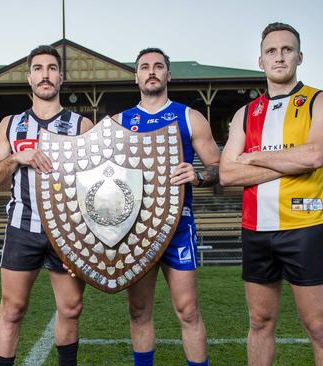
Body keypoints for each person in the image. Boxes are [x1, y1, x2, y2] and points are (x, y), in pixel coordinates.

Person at [219, 22, 323, 365]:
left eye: (287, 49)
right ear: (260, 61)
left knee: (319, 327)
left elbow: (316, 155)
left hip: (303, 226)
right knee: (259, 323)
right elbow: (227, 173)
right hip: (255, 230)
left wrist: (255, 155)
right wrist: (292, 160)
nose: (279, 56)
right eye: (271, 51)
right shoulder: (244, 114)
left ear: (299, 56)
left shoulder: (320, 101)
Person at [0, 45, 93, 366]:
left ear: (61, 78)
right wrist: (17, 157)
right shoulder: (10, 125)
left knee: (71, 309)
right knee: (12, 310)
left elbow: (94, 186)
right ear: (29, 78)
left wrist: (88, 240)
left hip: (68, 231)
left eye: (52, 68)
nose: (45, 74)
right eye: (39, 68)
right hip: (22, 228)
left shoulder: (81, 125)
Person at [114, 48, 220, 366]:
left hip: (178, 224)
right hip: (136, 227)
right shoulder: (121, 121)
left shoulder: (189, 116)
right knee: (139, 310)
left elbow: (217, 166)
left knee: (188, 310)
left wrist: (199, 175)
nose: (151, 71)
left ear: (168, 75)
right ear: (136, 77)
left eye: (158, 66)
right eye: (144, 67)